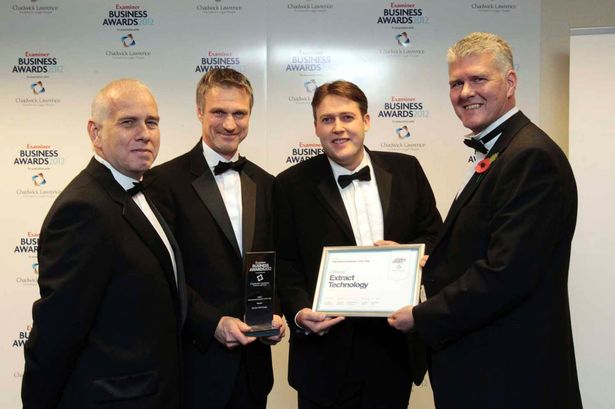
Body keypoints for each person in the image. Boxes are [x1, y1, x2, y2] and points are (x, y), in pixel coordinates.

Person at [387, 32, 583, 409]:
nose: (465, 92)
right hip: (489, 371)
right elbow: (486, 246)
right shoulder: (503, 152)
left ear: (510, 83)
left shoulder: (529, 157)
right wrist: (417, 261)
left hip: (511, 378)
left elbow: (506, 272)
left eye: (478, 79)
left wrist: (423, 316)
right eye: (456, 83)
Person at [21, 79, 206, 408]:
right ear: (95, 133)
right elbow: (57, 331)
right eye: (128, 122)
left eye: (152, 122)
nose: (144, 133)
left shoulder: (143, 190)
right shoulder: (84, 209)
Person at [275, 80, 442, 409]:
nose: (338, 128)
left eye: (347, 117)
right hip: (325, 356)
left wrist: (411, 256)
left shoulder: (407, 170)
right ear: (316, 127)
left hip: (393, 348)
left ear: (366, 121)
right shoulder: (290, 185)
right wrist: (298, 312)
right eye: (327, 119)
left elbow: (436, 237)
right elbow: (286, 263)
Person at [145, 68, 285, 409]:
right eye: (218, 112)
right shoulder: (163, 182)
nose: (230, 124)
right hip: (195, 364)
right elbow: (163, 276)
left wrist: (276, 313)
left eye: (240, 113)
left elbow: (272, 262)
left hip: (253, 371)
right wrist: (211, 324)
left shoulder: (266, 183)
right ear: (198, 112)